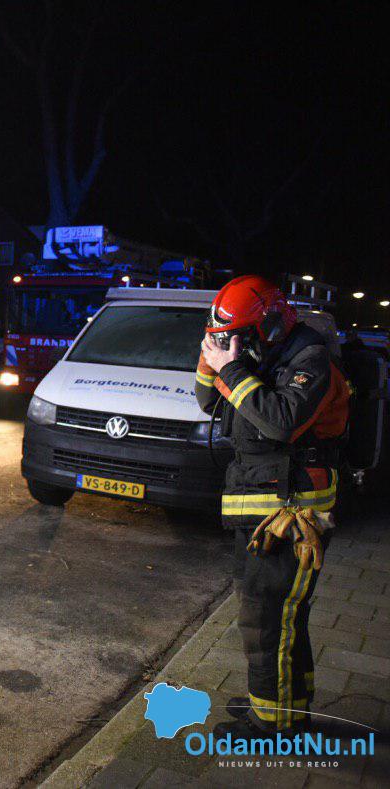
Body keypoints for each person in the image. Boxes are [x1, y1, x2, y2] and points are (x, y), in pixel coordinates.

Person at [196, 275, 348, 738]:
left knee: (269, 619)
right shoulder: (258, 355)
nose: (235, 345)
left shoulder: (311, 359)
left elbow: (281, 422)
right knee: (276, 617)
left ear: (272, 325)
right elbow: (207, 401)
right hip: (265, 507)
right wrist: (212, 357)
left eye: (241, 336)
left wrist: (232, 369)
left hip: (294, 514)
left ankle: (273, 725)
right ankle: (283, 705)